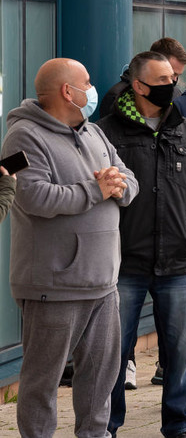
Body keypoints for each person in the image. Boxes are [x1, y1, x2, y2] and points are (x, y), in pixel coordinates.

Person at [2, 58, 139, 438]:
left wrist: (118, 185)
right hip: (53, 285)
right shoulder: (22, 137)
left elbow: (128, 179)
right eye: (87, 82)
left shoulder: (94, 132)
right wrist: (96, 190)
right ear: (67, 91)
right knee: (42, 382)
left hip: (103, 282)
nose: (92, 89)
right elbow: (32, 197)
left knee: (100, 380)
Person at [98, 51, 186, 438]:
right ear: (138, 85)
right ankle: (108, 424)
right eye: (163, 79)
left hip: (177, 261)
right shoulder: (106, 133)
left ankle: (179, 424)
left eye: (172, 77)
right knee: (113, 353)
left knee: (180, 352)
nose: (172, 85)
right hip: (124, 263)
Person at [99, 37, 186, 118]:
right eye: (172, 74)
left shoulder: (176, 94)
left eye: (177, 76)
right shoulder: (116, 97)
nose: (174, 81)